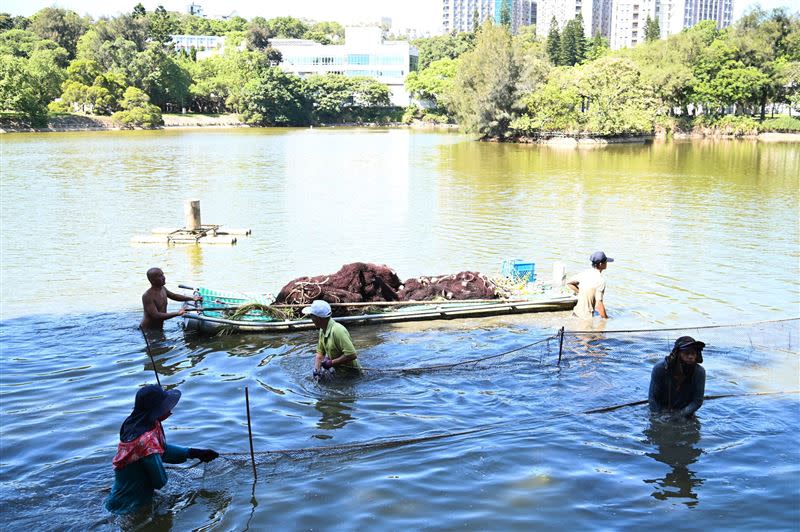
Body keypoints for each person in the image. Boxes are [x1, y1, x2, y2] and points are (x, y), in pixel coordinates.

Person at [104, 384, 219, 515]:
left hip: (126, 498)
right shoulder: (145, 440)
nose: (170, 410)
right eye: (164, 406)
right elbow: (160, 481)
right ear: (155, 410)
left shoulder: (140, 423)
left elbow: (161, 450)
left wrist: (194, 453)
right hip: (128, 507)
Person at [649, 336, 706, 418]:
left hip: (685, 412)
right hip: (661, 410)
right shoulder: (660, 368)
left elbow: (697, 401)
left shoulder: (699, 372)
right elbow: (652, 398)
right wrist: (659, 416)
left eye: (693, 353)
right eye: (686, 353)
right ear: (677, 353)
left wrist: (678, 415)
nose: (690, 357)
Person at [302, 299, 362, 378]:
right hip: (338, 371)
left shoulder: (338, 330)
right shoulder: (322, 329)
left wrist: (331, 363)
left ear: (318, 318)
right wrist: (316, 370)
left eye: (311, 316)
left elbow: (351, 354)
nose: (311, 319)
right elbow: (320, 354)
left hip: (352, 374)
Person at [566, 251, 613, 319]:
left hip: (575, 314)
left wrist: (581, 292)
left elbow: (569, 283)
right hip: (585, 318)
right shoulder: (600, 280)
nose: (607, 263)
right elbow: (599, 304)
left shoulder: (585, 273)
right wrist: (606, 319)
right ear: (600, 264)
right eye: (605, 261)